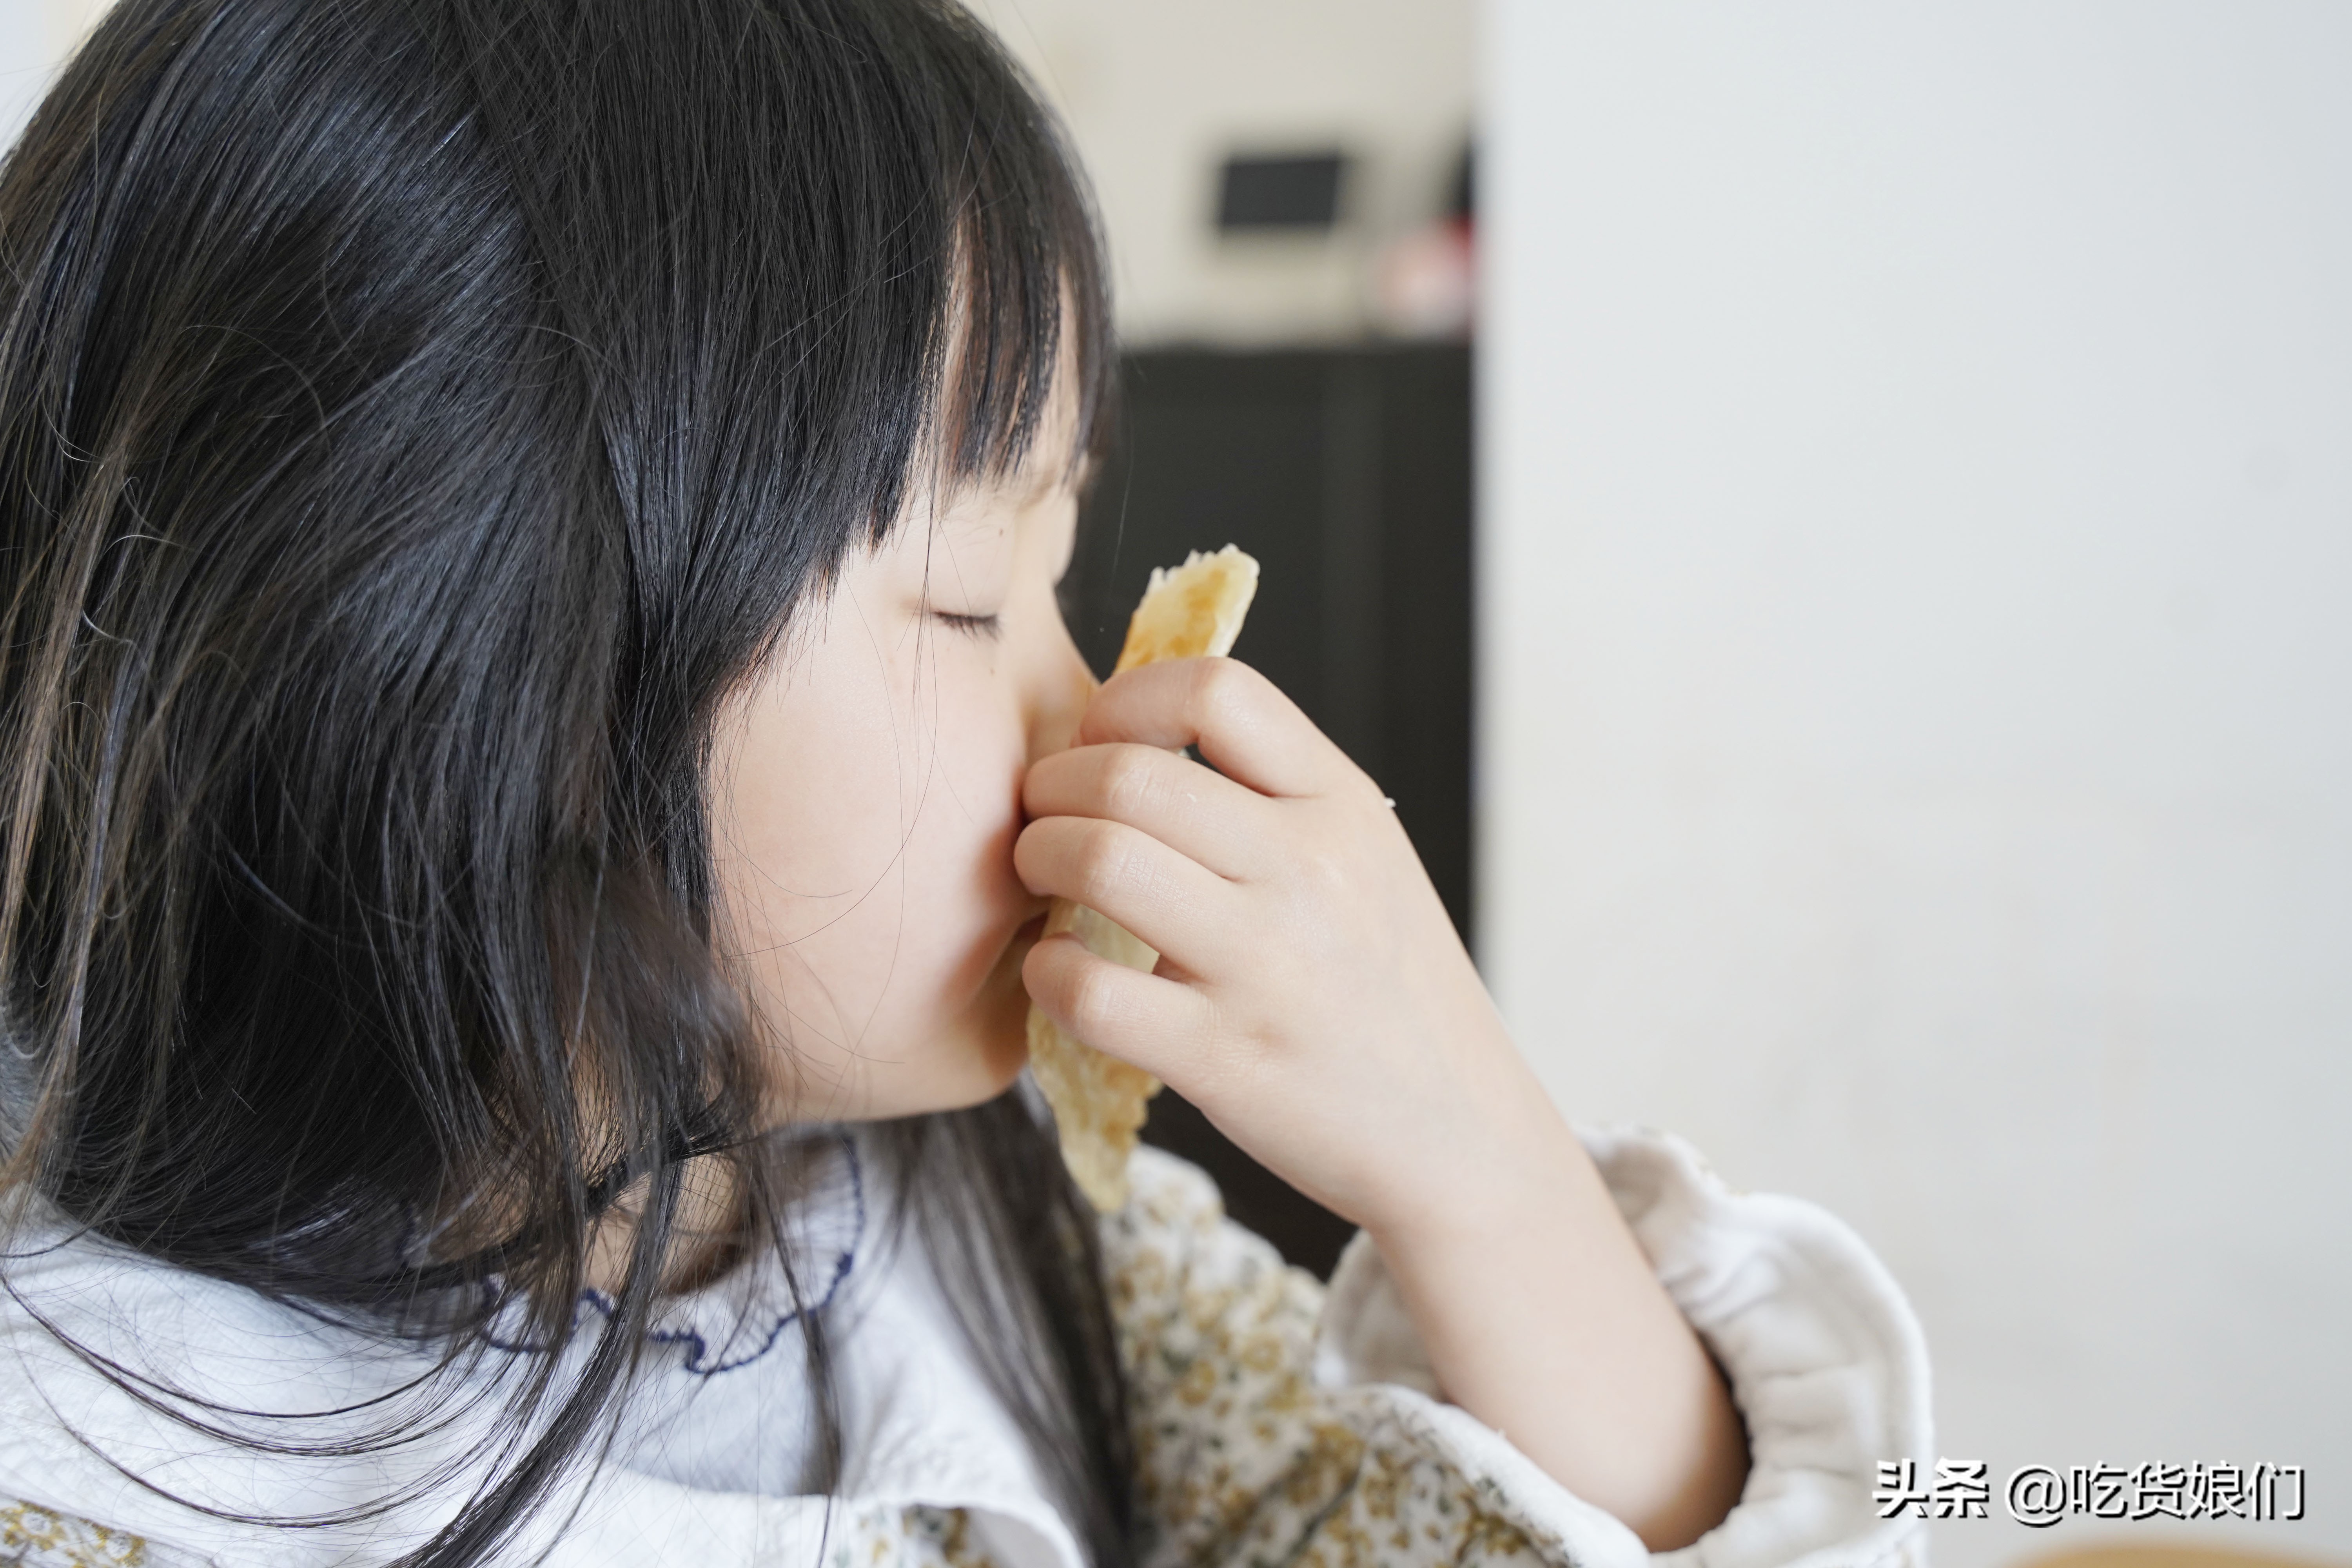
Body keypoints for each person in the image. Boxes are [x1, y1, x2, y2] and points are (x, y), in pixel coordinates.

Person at [0, 1, 1931, 1564]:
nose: (1087, 700)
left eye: (1066, 572)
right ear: (473, 671)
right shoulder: (92, 1471)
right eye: (959, 598)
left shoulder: (1000, 1238)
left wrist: (1475, 1158)